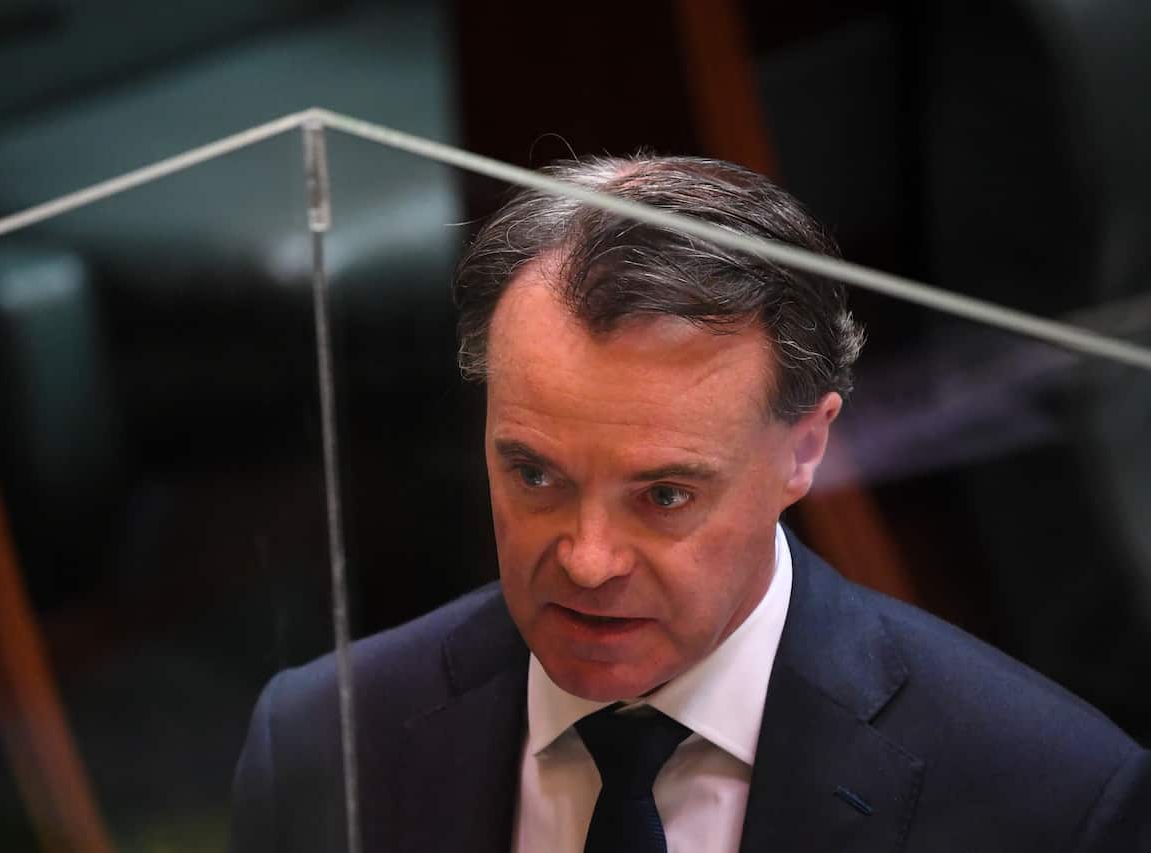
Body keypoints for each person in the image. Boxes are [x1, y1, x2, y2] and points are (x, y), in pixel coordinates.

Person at [229, 156, 1150, 853]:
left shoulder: (1049, 796)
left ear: (806, 449)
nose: (588, 560)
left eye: (664, 494)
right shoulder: (320, 739)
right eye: (536, 474)